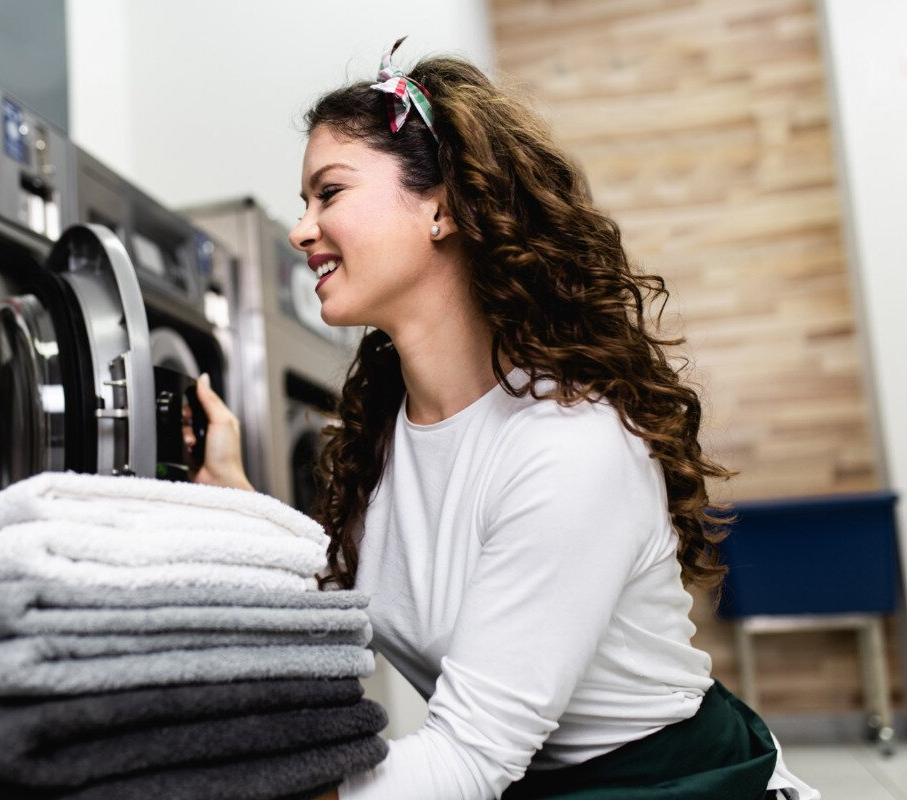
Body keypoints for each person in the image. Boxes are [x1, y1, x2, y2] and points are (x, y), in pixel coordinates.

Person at [188, 38, 818, 800]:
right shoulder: (384, 433)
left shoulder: (569, 447)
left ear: (441, 207)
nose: (302, 229)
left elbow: (466, 762)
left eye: (329, 193)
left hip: (679, 786)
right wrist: (240, 503)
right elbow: (336, 609)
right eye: (304, 203)